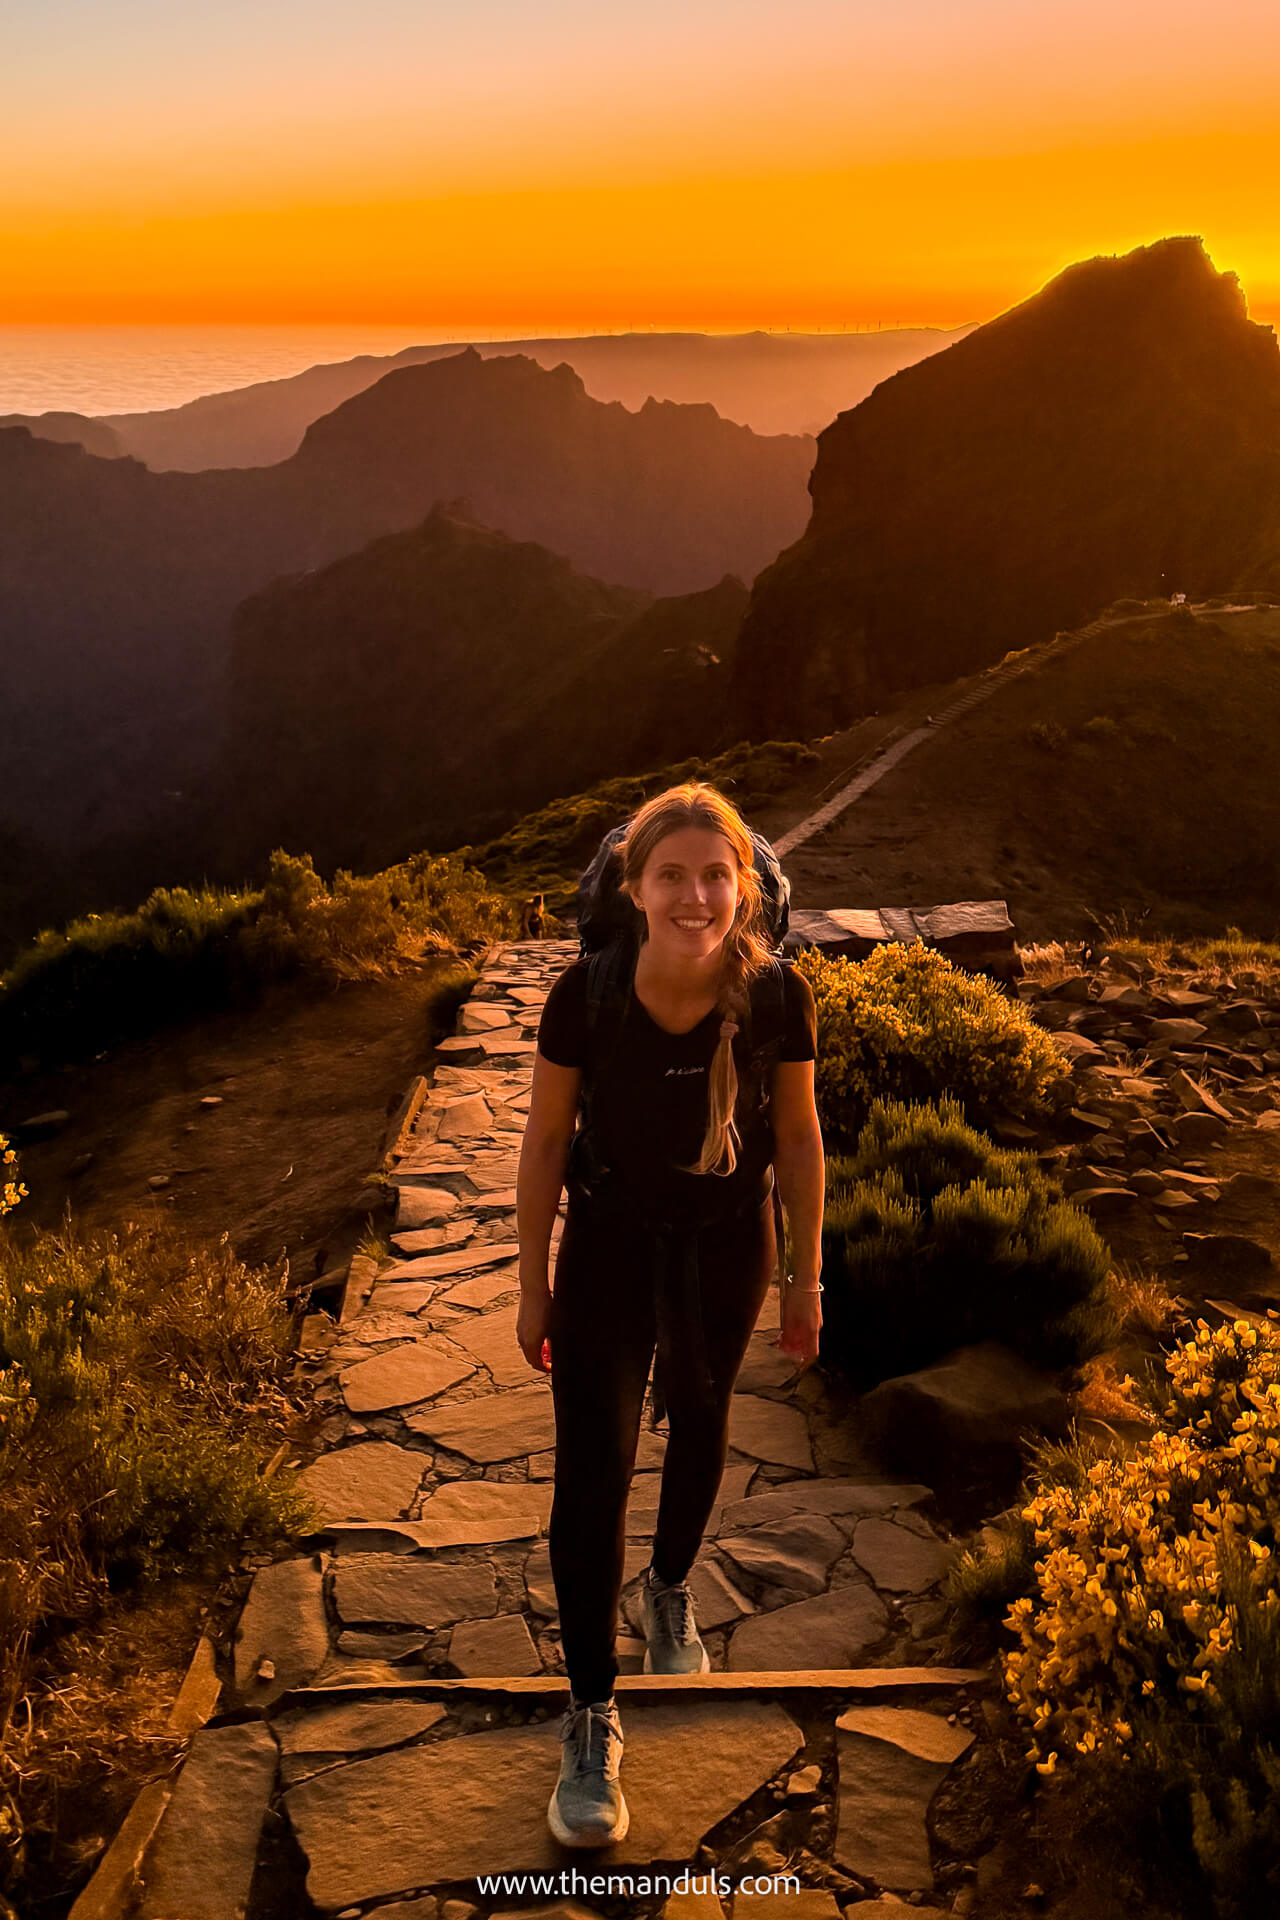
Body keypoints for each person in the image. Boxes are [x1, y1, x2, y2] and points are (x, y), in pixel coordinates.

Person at [515, 780, 825, 1849]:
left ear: (743, 888)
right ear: (634, 889)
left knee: (700, 1422)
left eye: (714, 875)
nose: (695, 896)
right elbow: (545, 1145)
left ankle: (668, 1587)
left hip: (727, 1247)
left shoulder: (776, 998)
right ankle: (591, 1710)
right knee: (591, 1471)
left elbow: (794, 1141)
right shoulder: (586, 996)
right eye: (671, 876)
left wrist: (805, 1279)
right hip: (605, 1248)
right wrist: (528, 1284)